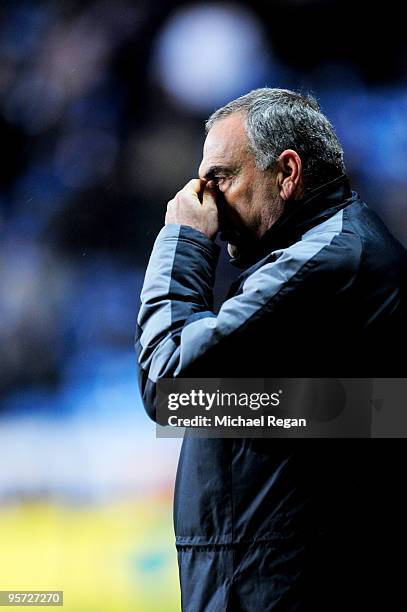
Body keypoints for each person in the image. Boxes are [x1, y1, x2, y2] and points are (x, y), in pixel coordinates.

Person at [135, 89, 407, 610]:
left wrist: (183, 240)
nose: (203, 198)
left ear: (286, 173)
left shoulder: (330, 261)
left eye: (221, 179)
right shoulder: (335, 250)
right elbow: (203, 405)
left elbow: (167, 386)